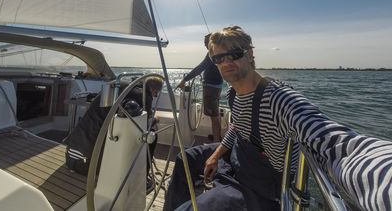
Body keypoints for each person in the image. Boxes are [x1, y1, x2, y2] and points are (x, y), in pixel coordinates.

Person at [164, 26, 392, 211]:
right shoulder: (234, 92)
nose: (226, 62)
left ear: (250, 54)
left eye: (234, 54)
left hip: (259, 187)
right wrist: (216, 154)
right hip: (236, 160)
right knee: (185, 159)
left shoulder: (278, 97)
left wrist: (381, 175)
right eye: (218, 58)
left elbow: (330, 139)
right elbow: (237, 126)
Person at [64, 76, 163, 192]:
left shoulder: (117, 83)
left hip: (73, 154)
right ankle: (141, 179)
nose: (154, 96)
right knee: (152, 134)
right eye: (155, 94)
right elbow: (146, 124)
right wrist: (155, 118)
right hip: (91, 165)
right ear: (154, 90)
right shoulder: (145, 95)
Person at [176, 33, 223, 142]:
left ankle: (216, 143)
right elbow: (210, 68)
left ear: (213, 42)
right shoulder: (218, 52)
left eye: (207, 42)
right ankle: (218, 136)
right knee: (215, 114)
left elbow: (200, 68)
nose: (205, 45)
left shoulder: (213, 53)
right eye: (204, 43)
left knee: (214, 116)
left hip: (211, 88)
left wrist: (185, 80)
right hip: (216, 86)